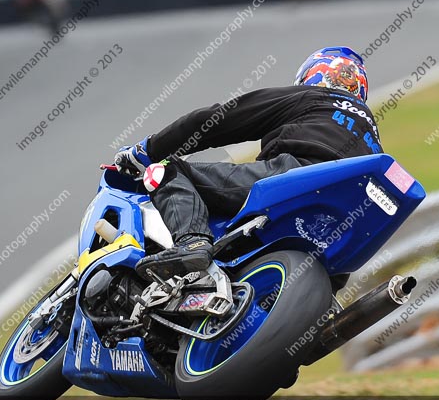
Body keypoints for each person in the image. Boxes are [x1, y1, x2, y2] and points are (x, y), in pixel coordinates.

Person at [113, 46, 383, 281]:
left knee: (166, 170)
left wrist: (146, 150)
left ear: (313, 75)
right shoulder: (374, 140)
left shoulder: (311, 98)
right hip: (343, 226)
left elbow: (215, 121)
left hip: (293, 177)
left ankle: (192, 242)